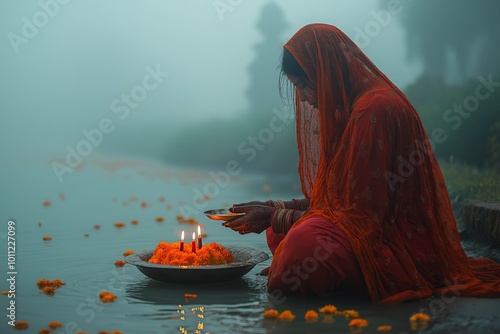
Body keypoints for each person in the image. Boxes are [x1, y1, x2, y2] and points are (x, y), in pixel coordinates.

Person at [223, 24, 500, 302]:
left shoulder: (374, 109)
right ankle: (309, 266)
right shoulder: (351, 109)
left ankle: (311, 269)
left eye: (303, 86)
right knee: (278, 231)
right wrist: (273, 210)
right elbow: (335, 201)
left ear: (326, 73)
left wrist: (275, 215)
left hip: (389, 242)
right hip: (354, 229)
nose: (304, 99)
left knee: (299, 246)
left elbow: (360, 219)